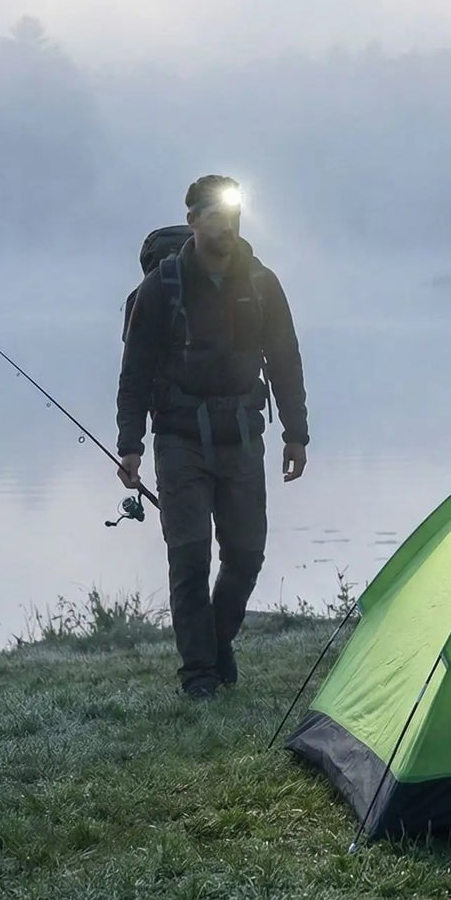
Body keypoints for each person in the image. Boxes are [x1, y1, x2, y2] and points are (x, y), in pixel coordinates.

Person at [116, 175, 309, 697]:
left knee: (246, 554)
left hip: (245, 436)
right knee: (190, 553)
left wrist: (297, 433)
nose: (226, 224)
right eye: (215, 215)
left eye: (234, 214)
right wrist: (130, 444)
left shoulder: (262, 283)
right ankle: (199, 675)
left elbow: (285, 359)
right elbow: (134, 371)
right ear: (193, 221)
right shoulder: (164, 286)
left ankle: (215, 643)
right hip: (179, 439)